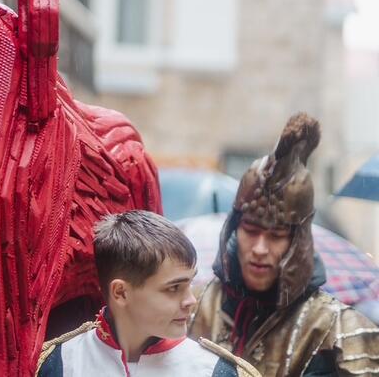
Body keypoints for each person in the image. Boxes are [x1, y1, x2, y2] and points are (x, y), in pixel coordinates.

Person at [189, 113, 379, 376]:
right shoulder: (191, 306)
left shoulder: (339, 331)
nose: (259, 248)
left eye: (276, 236)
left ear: (297, 241)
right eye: (251, 230)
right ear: (235, 228)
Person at [36, 210, 258, 376]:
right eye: (174, 288)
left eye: (189, 284)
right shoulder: (59, 364)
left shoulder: (216, 371)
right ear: (121, 293)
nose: (190, 300)